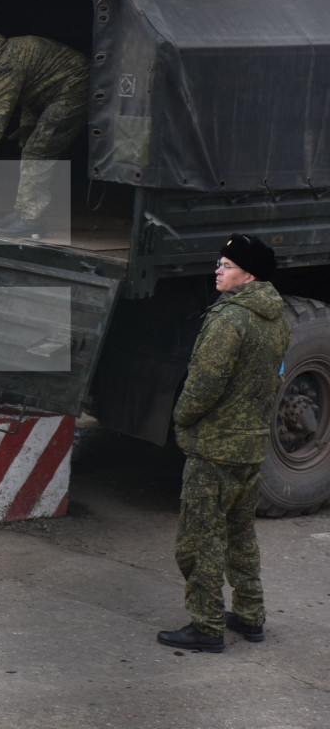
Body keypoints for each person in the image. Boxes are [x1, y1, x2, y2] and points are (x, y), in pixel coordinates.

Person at [158, 234, 289, 652]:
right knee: (240, 536)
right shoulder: (276, 319)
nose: (217, 269)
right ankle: (250, 616)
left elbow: (204, 383)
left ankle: (207, 625)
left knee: (199, 540)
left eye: (226, 265)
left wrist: (181, 418)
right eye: (219, 263)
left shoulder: (229, 319)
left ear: (248, 275)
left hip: (214, 447)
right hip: (251, 446)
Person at [0, 33, 89, 238]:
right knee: (33, 145)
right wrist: (28, 126)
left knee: (37, 150)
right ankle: (23, 212)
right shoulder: (0, 56)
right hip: (57, 89)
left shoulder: (2, 66)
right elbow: (32, 87)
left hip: (74, 87)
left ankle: (30, 220)